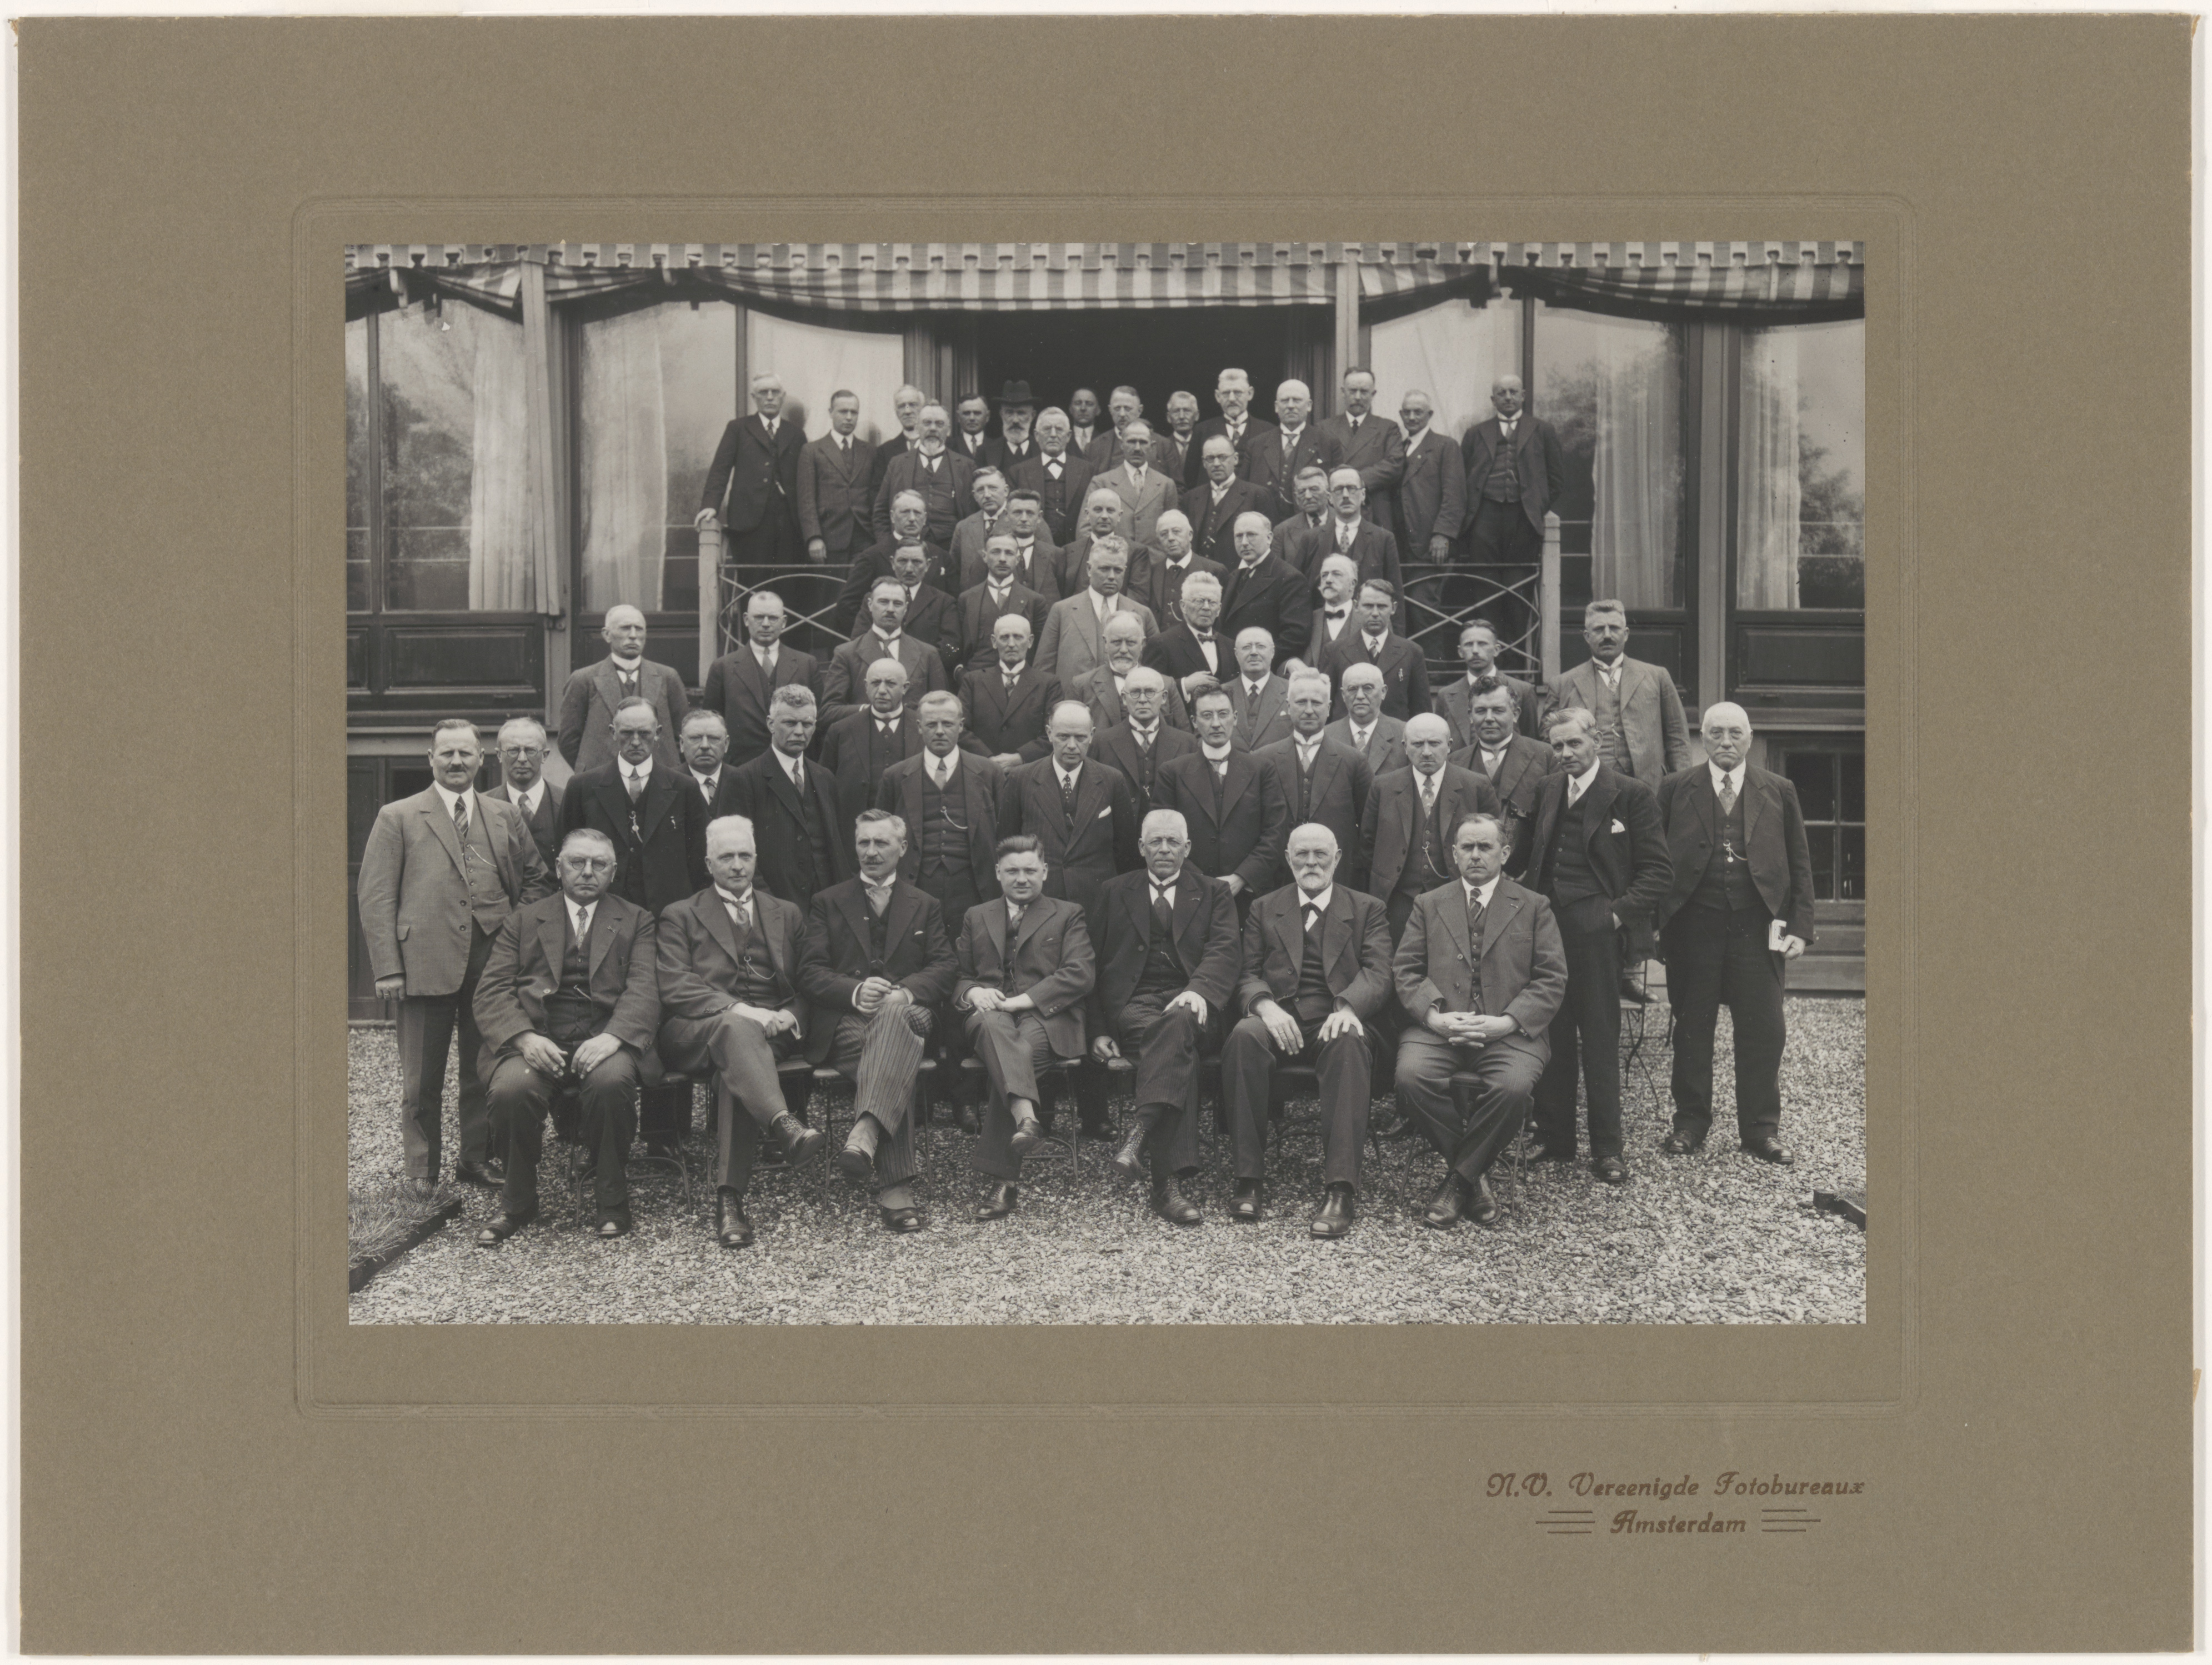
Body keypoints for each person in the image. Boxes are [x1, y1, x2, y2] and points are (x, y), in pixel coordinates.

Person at [357, 719, 554, 1194]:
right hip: (423, 961)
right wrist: (388, 967)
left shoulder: (504, 815)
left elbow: (538, 879)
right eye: (446, 753)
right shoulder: (398, 815)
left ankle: (475, 1158)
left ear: (482, 759)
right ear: (431, 758)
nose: (456, 762)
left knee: (481, 1068)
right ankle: (421, 1170)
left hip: (491, 963)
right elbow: (376, 896)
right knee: (421, 1078)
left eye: (466, 753)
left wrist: (512, 931)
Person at [473, 828, 663, 1243]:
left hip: (605, 1038)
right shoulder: (524, 919)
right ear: (559, 868)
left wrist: (614, 1037)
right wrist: (524, 1038)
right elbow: (491, 991)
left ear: (613, 871)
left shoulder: (637, 920)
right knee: (511, 1090)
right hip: (539, 1038)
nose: (588, 872)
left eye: (599, 864)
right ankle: (518, 1202)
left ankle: (612, 1200)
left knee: (612, 1084)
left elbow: (645, 989)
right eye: (578, 862)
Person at [1652, 702, 1817, 1166]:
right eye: (1716, 733)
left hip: (1757, 928)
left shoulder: (1778, 789)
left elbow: (1801, 862)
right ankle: (1689, 1123)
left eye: (1735, 733)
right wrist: (1656, 925)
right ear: (1702, 738)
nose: (1726, 742)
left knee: (1764, 1030)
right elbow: (1654, 860)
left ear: (1750, 738)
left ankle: (1761, 1130)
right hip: (1693, 928)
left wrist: (1800, 928)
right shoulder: (1675, 787)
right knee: (1692, 1029)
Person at [655, 815, 823, 1251]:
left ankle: (729, 1201)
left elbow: (810, 979)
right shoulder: (680, 914)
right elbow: (675, 984)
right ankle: (783, 1122)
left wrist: (790, 1014)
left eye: (744, 855)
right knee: (735, 1029)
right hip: (697, 1030)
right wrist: (743, 1010)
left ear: (756, 858)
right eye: (726, 856)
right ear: (708, 863)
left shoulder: (786, 912)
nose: (736, 865)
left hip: (769, 1035)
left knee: (736, 1071)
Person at [1393, 812, 1569, 1228]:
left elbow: (1552, 978)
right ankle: (1475, 1176)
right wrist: (1434, 1017)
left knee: (1513, 1088)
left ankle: (1458, 1181)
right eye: (1467, 847)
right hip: (1440, 1029)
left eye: (1485, 847)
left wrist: (1507, 1022)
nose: (1475, 855)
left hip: (1509, 1033)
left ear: (1504, 853)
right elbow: (1405, 971)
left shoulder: (1534, 906)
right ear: (1454, 854)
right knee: (1410, 1079)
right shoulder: (1428, 904)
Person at [1523, 707, 1671, 1182]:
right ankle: (1556, 1138)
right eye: (1558, 745)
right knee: (1552, 1031)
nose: (1566, 753)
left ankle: (1608, 1149)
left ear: (1598, 742)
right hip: (1548, 927)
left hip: (1599, 932)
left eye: (1574, 743)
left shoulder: (1631, 794)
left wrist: (1614, 915)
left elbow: (1658, 872)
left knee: (1601, 1037)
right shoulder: (1548, 789)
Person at [1223, 824, 1394, 1236]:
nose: (1311, 863)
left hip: (1335, 1017)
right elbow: (1245, 971)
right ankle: (1249, 1178)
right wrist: (1264, 1006)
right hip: (1278, 1015)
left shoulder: (1367, 908)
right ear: (1288, 858)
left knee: (1348, 1041)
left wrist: (1347, 1006)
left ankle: (1341, 1189)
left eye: (1321, 854)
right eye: (1302, 855)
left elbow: (1380, 971)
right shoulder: (1264, 907)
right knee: (1243, 1036)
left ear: (1337, 858)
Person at [797, 810, 959, 1232]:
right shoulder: (828, 901)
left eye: (881, 843)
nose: (871, 851)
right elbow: (810, 971)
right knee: (893, 1057)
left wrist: (904, 992)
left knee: (893, 1020)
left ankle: (866, 1132)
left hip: (911, 1013)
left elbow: (945, 967)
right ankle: (896, 1189)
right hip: (851, 1022)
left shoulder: (925, 903)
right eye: (864, 842)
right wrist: (854, 991)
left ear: (902, 848)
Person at [1084, 810, 1240, 1221]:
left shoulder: (1214, 892)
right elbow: (1092, 965)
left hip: (1196, 1003)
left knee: (1178, 1025)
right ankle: (1165, 1184)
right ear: (1141, 847)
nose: (1165, 849)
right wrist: (1097, 1029)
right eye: (1156, 841)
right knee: (1174, 1048)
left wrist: (1197, 990)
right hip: (1135, 1006)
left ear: (1187, 848)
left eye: (1173, 842)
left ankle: (1145, 1145)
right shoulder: (1113, 891)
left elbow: (1225, 951)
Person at [956, 837, 1097, 1220]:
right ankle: (1027, 1120)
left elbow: (1080, 973)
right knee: (995, 1031)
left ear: (1045, 872)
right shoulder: (976, 915)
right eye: (1013, 871)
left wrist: (1021, 1001)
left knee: (1019, 1053)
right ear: (998, 873)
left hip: (1047, 1015)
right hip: (990, 1013)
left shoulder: (1068, 913)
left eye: (1030, 870)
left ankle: (1004, 1181)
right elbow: (960, 975)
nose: (1022, 878)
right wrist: (974, 992)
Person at [995, 701, 1140, 939]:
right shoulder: (1021, 779)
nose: (1072, 746)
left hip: (1096, 903)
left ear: (1092, 735)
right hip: (1040, 901)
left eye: (1080, 737)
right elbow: (1006, 845)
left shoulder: (1112, 780)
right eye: (1063, 736)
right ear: (1049, 733)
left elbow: (1126, 852)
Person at [558, 697, 708, 919]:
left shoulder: (684, 788)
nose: (636, 742)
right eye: (627, 733)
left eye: (644, 733)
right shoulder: (582, 786)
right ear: (613, 732)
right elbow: (564, 853)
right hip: (602, 912)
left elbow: (699, 858)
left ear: (658, 733)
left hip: (668, 915)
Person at [1361, 712, 1503, 941]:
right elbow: (1367, 844)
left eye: (1434, 743)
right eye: (1418, 744)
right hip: (1398, 901)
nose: (1426, 752)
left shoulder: (1475, 786)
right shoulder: (1383, 786)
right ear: (1405, 747)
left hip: (1458, 899)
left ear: (1449, 746)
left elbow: (1494, 843)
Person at [1155, 685, 1290, 915]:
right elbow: (1162, 836)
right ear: (1194, 722)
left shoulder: (1262, 770)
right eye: (1207, 716)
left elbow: (1275, 833)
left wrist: (1241, 878)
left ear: (1235, 718)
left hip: (1250, 896)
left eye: (1223, 714)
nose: (1216, 723)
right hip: (1190, 893)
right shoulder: (1173, 773)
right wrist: (1200, 881)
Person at [878, 692, 1003, 933]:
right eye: (931, 725)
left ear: (961, 726)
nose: (940, 731)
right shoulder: (895, 776)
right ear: (919, 727)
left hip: (974, 887)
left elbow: (1004, 832)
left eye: (948, 724)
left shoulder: (989, 773)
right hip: (916, 885)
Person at [725, 686, 850, 906]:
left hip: (826, 905)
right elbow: (738, 854)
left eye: (807, 724)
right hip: (774, 904)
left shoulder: (825, 778)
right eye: (790, 723)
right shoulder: (745, 778)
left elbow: (838, 848)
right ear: (771, 724)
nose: (800, 732)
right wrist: (769, 905)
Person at [1547, 600, 1691, 783]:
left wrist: (1682, 787)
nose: (1607, 635)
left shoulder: (1657, 676)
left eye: (1614, 628)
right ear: (1587, 636)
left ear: (1626, 634)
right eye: (1599, 629)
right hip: (1588, 786)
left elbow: (1678, 738)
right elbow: (1549, 745)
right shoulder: (1562, 684)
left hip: (1648, 784)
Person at [1254, 669, 1373, 891]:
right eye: (1301, 702)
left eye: (1316, 703)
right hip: (1278, 879)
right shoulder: (1263, 759)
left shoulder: (1353, 761)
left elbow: (1369, 828)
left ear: (1329, 708)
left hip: (1337, 878)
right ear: (1288, 706)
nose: (1309, 710)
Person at [556, 604, 688, 774]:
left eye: (639, 629)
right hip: (602, 779)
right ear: (607, 635)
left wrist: (669, 768)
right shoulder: (583, 679)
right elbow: (568, 740)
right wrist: (592, 772)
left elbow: (684, 734)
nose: (633, 635)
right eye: (625, 628)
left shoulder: (668, 677)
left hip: (659, 778)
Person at [1451, 674, 1560, 878]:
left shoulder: (1545, 757)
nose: (1489, 718)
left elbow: (1554, 824)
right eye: (1481, 711)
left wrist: (1531, 871)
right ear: (1470, 715)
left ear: (1516, 714)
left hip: (1526, 878)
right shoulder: (1454, 762)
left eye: (1498, 710)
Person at [699, 589, 823, 769]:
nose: (766, 624)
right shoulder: (723, 667)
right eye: (759, 617)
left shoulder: (806, 664)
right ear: (746, 620)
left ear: (784, 622)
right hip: (740, 768)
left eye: (773, 618)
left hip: (793, 766)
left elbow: (820, 722)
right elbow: (711, 725)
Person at [1460, 372, 1565, 569]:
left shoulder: (1543, 430)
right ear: (1493, 400)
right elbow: (1462, 477)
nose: (1508, 397)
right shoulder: (1475, 433)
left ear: (1523, 396)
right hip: (1484, 515)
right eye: (1502, 393)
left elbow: (1556, 479)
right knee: (1484, 575)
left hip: (1524, 515)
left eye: (1513, 392)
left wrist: (1537, 504)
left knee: (1520, 576)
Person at [698, 371, 805, 566]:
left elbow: (805, 480)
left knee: (787, 580)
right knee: (753, 579)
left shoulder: (797, 434)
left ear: (783, 396)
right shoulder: (738, 428)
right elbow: (720, 470)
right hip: (749, 525)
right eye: (764, 392)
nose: (770, 397)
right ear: (754, 397)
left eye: (775, 392)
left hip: (789, 525)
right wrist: (710, 506)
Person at [820, 578, 952, 725]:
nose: (890, 609)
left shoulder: (927, 654)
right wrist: (868, 711)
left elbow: (943, 708)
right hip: (865, 735)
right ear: (870, 604)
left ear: (906, 608)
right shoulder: (847, 654)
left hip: (913, 736)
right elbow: (828, 711)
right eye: (883, 602)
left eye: (897, 604)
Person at [1035, 537, 1158, 692]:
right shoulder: (1062, 610)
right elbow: (1044, 669)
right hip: (1073, 702)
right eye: (1104, 569)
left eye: (1118, 570)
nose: (1112, 576)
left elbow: (1156, 670)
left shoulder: (1142, 613)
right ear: (1089, 569)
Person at [818, 658, 923, 833]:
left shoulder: (923, 729)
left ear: (905, 688)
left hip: (910, 832)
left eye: (890, 684)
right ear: (866, 686)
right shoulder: (841, 731)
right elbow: (824, 787)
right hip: (854, 833)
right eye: (875, 683)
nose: (882, 690)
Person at [1297, 468, 1407, 631]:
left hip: (1368, 631)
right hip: (1322, 631)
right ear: (1330, 498)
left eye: (1352, 489)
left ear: (1363, 495)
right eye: (1339, 490)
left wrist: (1396, 641)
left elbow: (1395, 592)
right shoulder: (1311, 538)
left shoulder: (1383, 539)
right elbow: (1299, 592)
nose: (1346, 495)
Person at [1092, 665, 1198, 822]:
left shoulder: (1186, 743)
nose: (1142, 700)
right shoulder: (1102, 742)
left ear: (1164, 697)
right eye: (1135, 692)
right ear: (1124, 698)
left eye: (1150, 692)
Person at [838, 489, 952, 632]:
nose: (912, 518)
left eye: (917, 513)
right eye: (905, 512)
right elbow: (848, 605)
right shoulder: (872, 556)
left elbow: (950, 607)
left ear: (924, 519)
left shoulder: (940, 555)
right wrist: (877, 637)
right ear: (892, 516)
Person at [1318, 578, 1429, 720]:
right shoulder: (1335, 651)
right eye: (1368, 606)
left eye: (1382, 606)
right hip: (1347, 733)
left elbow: (1422, 711)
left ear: (1393, 608)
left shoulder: (1412, 652)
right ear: (1356, 607)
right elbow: (1324, 706)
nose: (1375, 613)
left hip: (1393, 732)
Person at [958, 614, 1060, 767]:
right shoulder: (973, 681)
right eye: (1005, 637)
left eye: (1018, 637)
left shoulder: (1049, 684)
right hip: (982, 770)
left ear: (1030, 641)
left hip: (1029, 770)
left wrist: (1020, 758)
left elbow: (1055, 733)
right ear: (994, 642)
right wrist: (988, 760)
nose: (1011, 644)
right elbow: (959, 728)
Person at [872, 401, 976, 548]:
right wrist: (888, 546)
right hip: (907, 547)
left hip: (952, 548)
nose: (933, 429)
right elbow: (881, 512)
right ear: (917, 428)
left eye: (939, 424)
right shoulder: (897, 463)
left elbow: (974, 514)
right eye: (927, 423)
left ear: (948, 430)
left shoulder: (966, 466)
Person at [1072, 612, 1192, 737]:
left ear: (1143, 644)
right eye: (1117, 642)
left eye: (1131, 643)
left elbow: (1184, 737)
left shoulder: (1166, 684)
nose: (1123, 650)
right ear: (1106, 643)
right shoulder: (1083, 685)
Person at [1316, 367, 1406, 528]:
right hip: (1336, 508)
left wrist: (1356, 481)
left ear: (1373, 394)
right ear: (1343, 392)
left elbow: (1394, 465)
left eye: (1364, 392)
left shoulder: (1387, 428)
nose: (1358, 397)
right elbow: (1319, 467)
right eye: (1353, 391)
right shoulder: (1325, 428)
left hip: (1374, 510)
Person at [1216, 513, 1311, 665]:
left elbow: (1294, 637)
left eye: (1251, 535)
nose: (1244, 542)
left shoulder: (1289, 578)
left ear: (1269, 538)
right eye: (1239, 536)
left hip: (1259, 668)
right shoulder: (1233, 577)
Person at [795, 387, 873, 564]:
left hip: (865, 538)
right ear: (831, 413)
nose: (849, 417)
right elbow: (806, 500)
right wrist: (814, 537)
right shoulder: (812, 451)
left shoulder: (870, 451)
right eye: (843, 412)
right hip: (829, 538)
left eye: (854, 412)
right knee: (831, 583)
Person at [1434, 617, 1540, 746]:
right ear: (1460, 652)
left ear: (1496, 650)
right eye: (1469, 645)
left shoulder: (1523, 690)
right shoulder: (1446, 695)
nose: (1475, 651)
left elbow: (1532, 745)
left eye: (1482, 644)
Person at [955, 534, 1053, 672]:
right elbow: (960, 646)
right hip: (977, 677)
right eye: (996, 552)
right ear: (985, 556)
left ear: (1017, 559)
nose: (1002, 559)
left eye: (1009, 553)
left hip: (1020, 677)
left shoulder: (1035, 601)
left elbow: (1043, 650)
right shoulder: (967, 599)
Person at [1245, 378, 1340, 517]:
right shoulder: (1256, 445)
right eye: (1285, 401)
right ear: (1276, 407)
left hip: (1310, 524)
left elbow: (1336, 490)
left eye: (1297, 400)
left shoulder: (1328, 443)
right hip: (1265, 522)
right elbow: (1245, 493)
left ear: (1309, 405)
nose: (1290, 406)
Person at [1395, 388, 1467, 562]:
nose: (1412, 417)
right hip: (1401, 544)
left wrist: (1442, 534)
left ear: (1430, 415)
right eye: (1407, 412)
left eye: (1418, 412)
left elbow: (1455, 496)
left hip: (1431, 545)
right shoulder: (1398, 448)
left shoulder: (1446, 446)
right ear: (1401, 415)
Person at [1008, 407, 1096, 546]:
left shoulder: (1087, 470)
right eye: (1047, 429)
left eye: (1059, 429)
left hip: (1077, 545)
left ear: (1069, 436)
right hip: (1036, 547)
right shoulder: (1019, 472)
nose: (1053, 435)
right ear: (1037, 436)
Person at [1181, 434, 1274, 564]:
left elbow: (1270, 545)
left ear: (1235, 459)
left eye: (1222, 457)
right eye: (1210, 459)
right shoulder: (1190, 498)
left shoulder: (1257, 495)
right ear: (1204, 463)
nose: (1216, 464)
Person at [1141, 568, 1229, 705]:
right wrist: (1184, 685)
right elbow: (1147, 691)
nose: (1206, 607)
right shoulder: (1161, 644)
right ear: (1183, 606)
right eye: (1199, 601)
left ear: (1219, 609)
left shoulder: (1230, 646)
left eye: (1212, 602)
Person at [487, 716, 560, 872]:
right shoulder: (483, 805)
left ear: (544, 756)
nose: (522, 758)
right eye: (513, 751)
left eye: (530, 751)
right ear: (499, 755)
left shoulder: (566, 802)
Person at [1097, 419, 1180, 548]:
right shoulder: (1103, 482)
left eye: (1143, 442)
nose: (1137, 448)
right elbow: (1086, 528)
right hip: (1116, 555)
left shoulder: (1166, 485)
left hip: (1154, 558)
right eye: (1131, 442)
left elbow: (1174, 528)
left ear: (1152, 447)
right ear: (1121, 444)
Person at [1134, 509, 1221, 629]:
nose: (1170, 538)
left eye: (1176, 532)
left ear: (1190, 535)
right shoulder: (1152, 571)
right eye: (1164, 534)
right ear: (1159, 541)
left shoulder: (1214, 570)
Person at [1325, 662, 1410, 778]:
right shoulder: (1326, 735)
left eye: (1368, 688)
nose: (1360, 696)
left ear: (1383, 692)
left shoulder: (1405, 733)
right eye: (1353, 689)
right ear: (1344, 695)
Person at [1190, 366, 1275, 479]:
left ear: (1250, 394)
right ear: (1218, 396)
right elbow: (1191, 477)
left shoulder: (1268, 431)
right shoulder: (1202, 431)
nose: (1232, 399)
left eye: (1238, 392)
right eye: (1226, 393)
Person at [888, 542, 960, 671]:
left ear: (928, 565)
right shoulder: (875, 599)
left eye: (917, 562)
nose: (909, 569)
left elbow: (952, 649)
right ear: (893, 563)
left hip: (926, 674)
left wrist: (917, 666)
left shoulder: (944, 602)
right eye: (903, 561)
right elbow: (862, 642)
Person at [1058, 484, 1147, 585]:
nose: (1104, 516)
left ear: (1119, 516)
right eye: (1098, 510)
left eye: (1110, 510)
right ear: (1087, 514)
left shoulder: (1136, 553)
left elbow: (1137, 593)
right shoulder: (1068, 552)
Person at [1224, 627, 1294, 751]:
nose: (1254, 652)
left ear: (1273, 652)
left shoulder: (1292, 691)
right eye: (1246, 647)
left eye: (1261, 647)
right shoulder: (1221, 693)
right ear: (1236, 654)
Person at [947, 467, 1013, 595]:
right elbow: (954, 571)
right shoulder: (964, 527)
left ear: (1006, 491)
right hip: (974, 600)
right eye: (980, 490)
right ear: (975, 496)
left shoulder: (1021, 521)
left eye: (993, 488)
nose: (987, 495)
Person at [994, 489, 1064, 601]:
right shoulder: (993, 554)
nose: (1024, 519)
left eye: (1030, 513)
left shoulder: (1056, 555)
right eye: (1017, 513)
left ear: (1040, 517)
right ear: (1007, 515)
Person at [676, 709, 743, 821]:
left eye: (713, 739)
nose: (705, 745)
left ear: (726, 744)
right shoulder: (668, 783)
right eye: (695, 738)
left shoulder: (744, 781)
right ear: (682, 744)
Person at [868, 382, 927, 497]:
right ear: (896, 412)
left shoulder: (940, 445)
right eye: (902, 406)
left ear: (922, 408)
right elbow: (878, 494)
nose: (907, 411)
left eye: (913, 405)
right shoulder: (885, 452)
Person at [1305, 553, 1362, 662]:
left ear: (1352, 584)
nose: (1328, 580)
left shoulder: (1367, 620)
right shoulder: (1309, 619)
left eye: (1337, 574)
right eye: (1324, 575)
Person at [1272, 462, 1332, 553]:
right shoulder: (1282, 531)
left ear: (1328, 493)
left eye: (1314, 489)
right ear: (1297, 499)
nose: (1308, 496)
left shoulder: (1344, 522)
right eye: (1302, 492)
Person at [983, 379, 1037, 472]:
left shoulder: (1043, 450)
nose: (1015, 420)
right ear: (1001, 415)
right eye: (1009, 413)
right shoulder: (986, 451)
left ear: (1032, 416)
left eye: (1021, 413)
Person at [1158, 389, 1204, 487]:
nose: (1182, 417)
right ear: (1169, 417)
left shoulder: (1204, 445)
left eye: (1187, 411)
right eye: (1176, 411)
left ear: (1197, 415)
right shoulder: (1161, 447)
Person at [951, 391, 993, 463]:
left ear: (987, 417)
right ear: (958, 417)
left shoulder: (997, 447)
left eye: (977, 413)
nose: (972, 418)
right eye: (967, 413)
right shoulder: (950, 447)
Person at [1065, 386, 1104, 458]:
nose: (1083, 408)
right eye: (1078, 403)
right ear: (1070, 409)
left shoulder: (1106, 441)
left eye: (1089, 404)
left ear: (1098, 410)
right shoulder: (1062, 439)